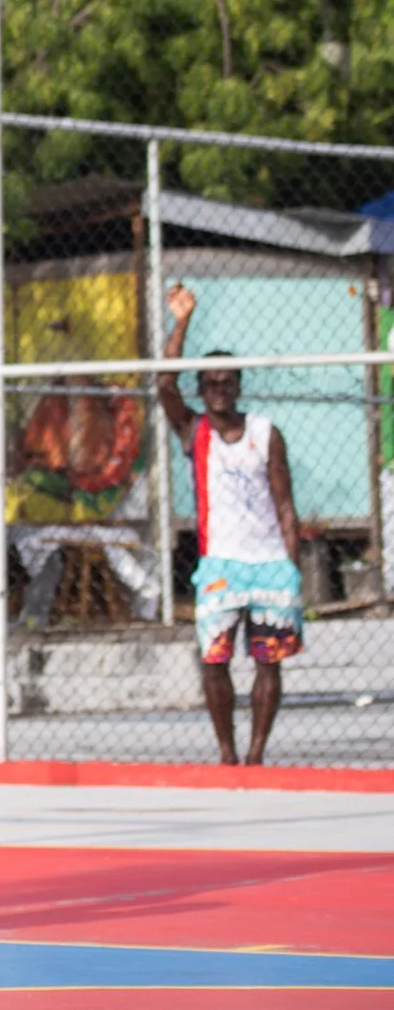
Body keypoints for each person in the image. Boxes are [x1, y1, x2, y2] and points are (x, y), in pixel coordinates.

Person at [155, 283, 304, 766]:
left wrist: (292, 566)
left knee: (268, 661)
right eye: (211, 383)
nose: (220, 390)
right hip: (221, 564)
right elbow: (163, 386)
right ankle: (226, 753)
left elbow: (285, 504)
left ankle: (256, 753)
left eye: (228, 382)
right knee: (213, 659)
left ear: (238, 385)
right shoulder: (194, 431)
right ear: (201, 388)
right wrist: (182, 322)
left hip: (268, 564)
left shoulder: (264, 433)